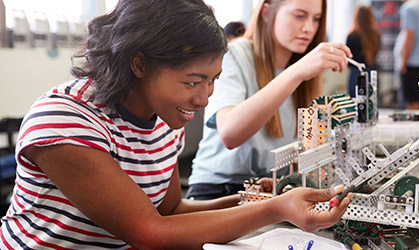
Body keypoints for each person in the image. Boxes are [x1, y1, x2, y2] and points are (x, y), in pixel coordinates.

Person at [0, 0, 352, 249]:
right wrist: (274, 208)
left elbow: (171, 211)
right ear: (139, 64)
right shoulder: (66, 121)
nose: (203, 99)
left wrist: (255, 199)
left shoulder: (165, 120)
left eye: (212, 80)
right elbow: (150, 232)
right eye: (192, 81)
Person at [187, 0, 352, 200]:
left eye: (316, 19)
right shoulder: (234, 55)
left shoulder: (303, 72)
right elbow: (230, 133)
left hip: (272, 190)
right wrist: (296, 72)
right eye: (299, 15)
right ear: (266, 12)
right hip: (219, 192)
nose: (309, 28)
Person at [345, 6, 381, 97]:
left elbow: (348, 59)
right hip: (372, 73)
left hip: (357, 74)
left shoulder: (352, 36)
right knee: (372, 104)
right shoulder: (376, 35)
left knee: (356, 104)